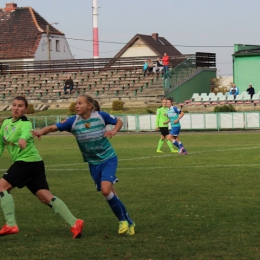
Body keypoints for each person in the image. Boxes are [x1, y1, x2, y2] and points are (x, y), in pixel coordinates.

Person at [32, 94, 136, 236]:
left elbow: (118, 121)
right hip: (93, 163)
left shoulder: (100, 116)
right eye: (76, 104)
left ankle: (121, 220)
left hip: (108, 158)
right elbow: (52, 127)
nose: (77, 106)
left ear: (89, 106)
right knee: (111, 194)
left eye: (80, 103)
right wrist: (40, 132)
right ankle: (129, 221)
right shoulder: (72, 122)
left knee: (106, 190)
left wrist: (114, 130)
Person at [0, 96, 83, 238]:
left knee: (1, 187)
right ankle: (75, 222)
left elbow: (26, 132)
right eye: (14, 105)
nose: (16, 108)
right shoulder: (5, 123)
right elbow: (1, 144)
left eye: (20, 106)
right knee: (45, 197)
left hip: (27, 162)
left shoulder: (25, 123)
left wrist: (23, 138)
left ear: (25, 109)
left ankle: (11, 224)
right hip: (35, 164)